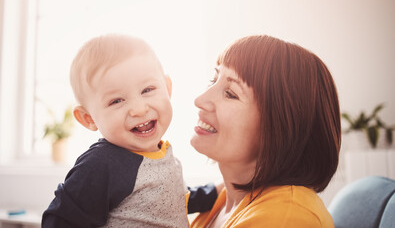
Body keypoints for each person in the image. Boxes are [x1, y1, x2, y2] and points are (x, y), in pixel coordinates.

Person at [42, 34, 217, 227]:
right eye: (117, 101)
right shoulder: (101, 164)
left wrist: (216, 193)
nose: (139, 109)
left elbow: (170, 201)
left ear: (167, 88)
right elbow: (59, 221)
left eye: (147, 90)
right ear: (89, 118)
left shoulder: (163, 154)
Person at [190, 35, 341, 227]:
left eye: (230, 94)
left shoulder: (285, 218)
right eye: (213, 80)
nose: (200, 100)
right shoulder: (221, 200)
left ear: (280, 129)